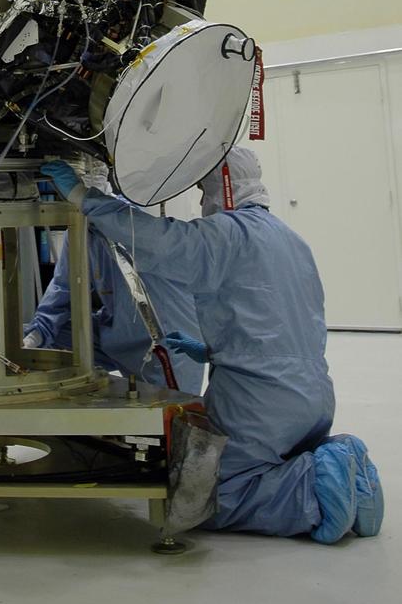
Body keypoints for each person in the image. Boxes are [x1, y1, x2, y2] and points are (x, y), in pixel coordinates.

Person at [40, 147, 383, 543]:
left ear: (223, 188)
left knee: (210, 496)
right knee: (276, 464)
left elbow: (158, 244)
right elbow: (286, 321)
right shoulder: (290, 238)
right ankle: (342, 469)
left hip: (260, 402)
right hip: (313, 396)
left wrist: (85, 198)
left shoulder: (230, 234)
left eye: (204, 192)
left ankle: (323, 490)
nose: (203, 203)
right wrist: (210, 350)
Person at [23, 227, 206, 395]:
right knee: (49, 335)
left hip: (163, 345)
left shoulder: (132, 226)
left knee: (169, 417)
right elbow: (63, 287)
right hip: (117, 334)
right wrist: (36, 335)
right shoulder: (82, 231)